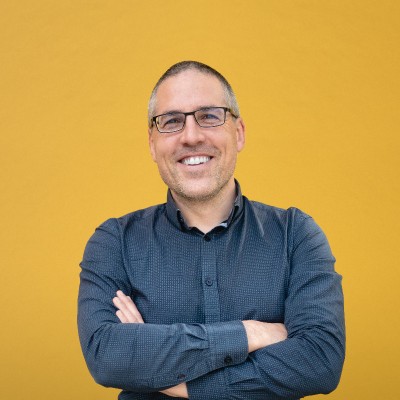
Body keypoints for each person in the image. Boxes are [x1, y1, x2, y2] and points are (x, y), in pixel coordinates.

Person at [78, 61, 345, 400]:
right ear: (152, 144)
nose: (191, 136)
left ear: (239, 132)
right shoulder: (114, 242)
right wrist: (250, 334)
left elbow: (320, 360)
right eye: (171, 121)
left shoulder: (296, 235)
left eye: (209, 116)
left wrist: (168, 374)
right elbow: (107, 356)